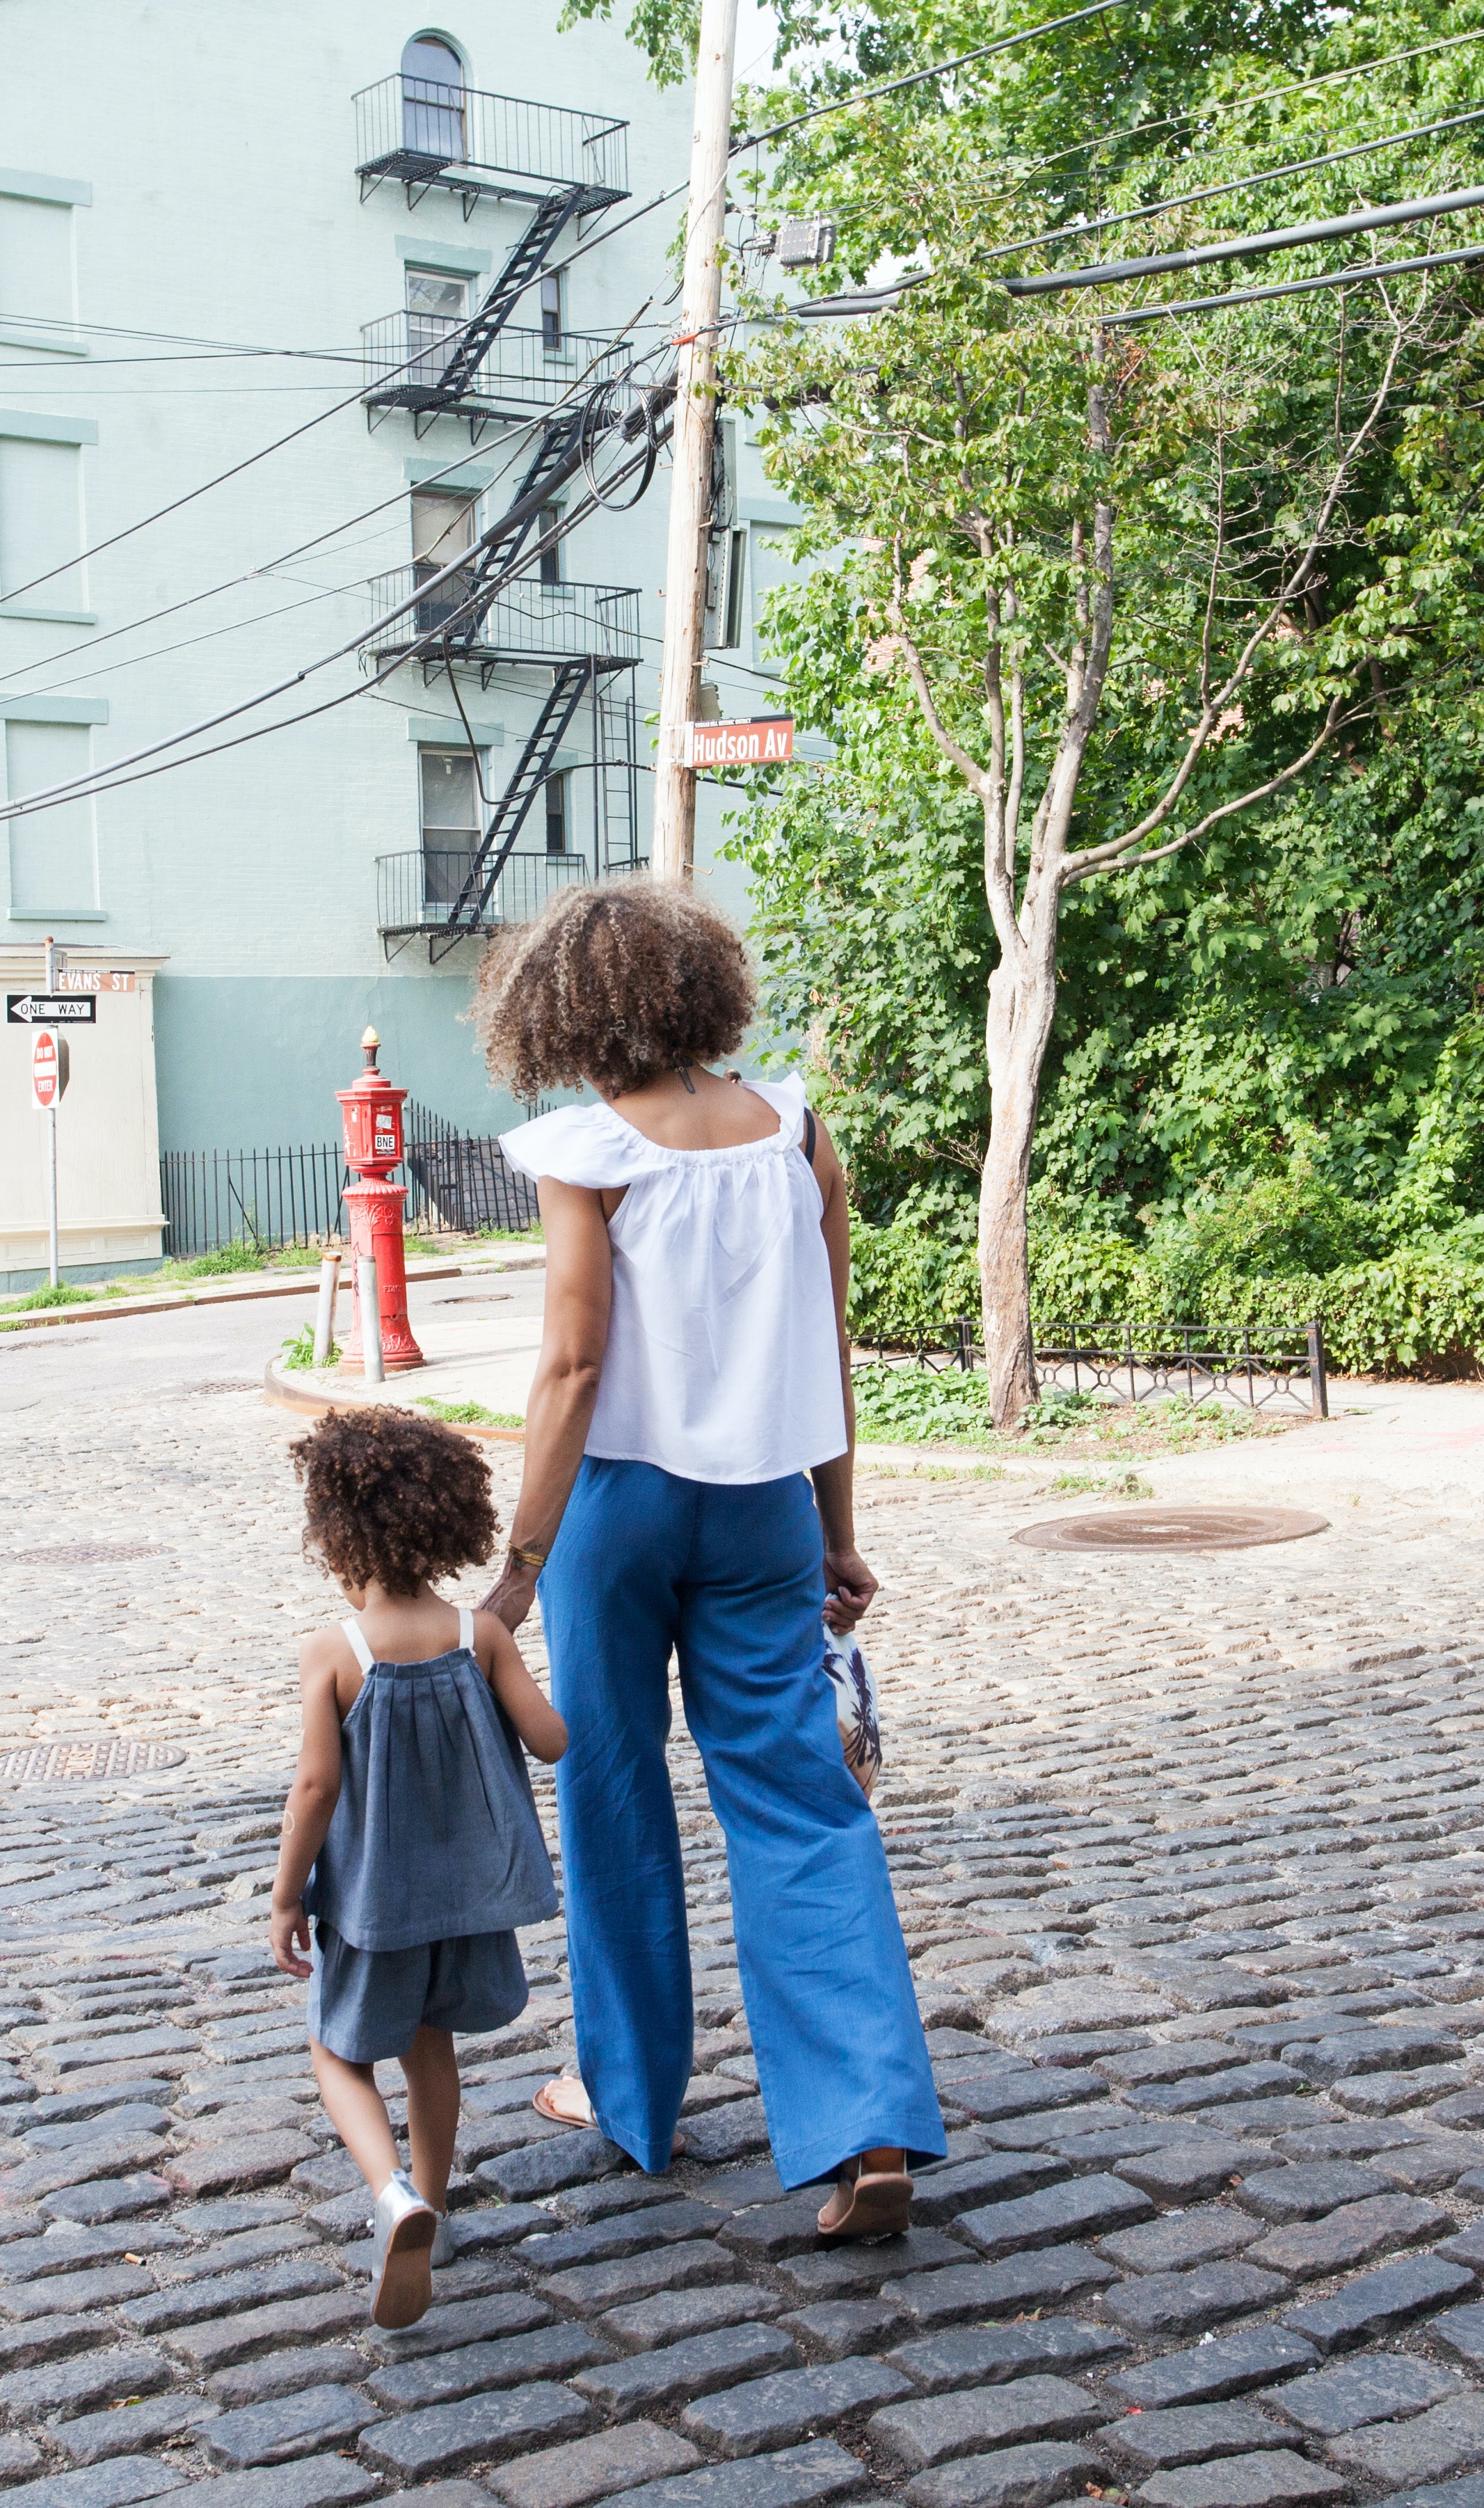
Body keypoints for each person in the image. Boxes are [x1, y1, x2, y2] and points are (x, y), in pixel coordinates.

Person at [476, 878, 945, 2241]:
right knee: (803, 1805)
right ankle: (861, 2124)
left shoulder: (587, 1150)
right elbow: (827, 1344)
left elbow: (572, 1363)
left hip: (620, 1512)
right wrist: (839, 1528)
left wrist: (517, 1567)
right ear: (703, 992)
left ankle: (632, 2099)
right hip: (764, 1513)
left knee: (615, 1793)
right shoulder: (793, 1129)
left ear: (562, 1010)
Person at [266, 1406, 568, 2328]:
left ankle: (392, 2193)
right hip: (467, 1902)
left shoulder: (336, 1654)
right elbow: (552, 1741)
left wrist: (286, 1897)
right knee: (429, 2048)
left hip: (372, 1905)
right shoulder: (479, 1637)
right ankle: (433, 2206)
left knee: (337, 2050)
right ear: (446, 1526)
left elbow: (317, 1786)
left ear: (335, 1537)